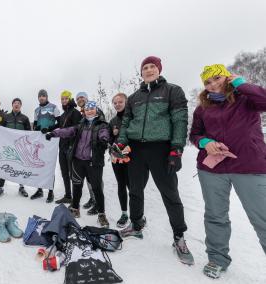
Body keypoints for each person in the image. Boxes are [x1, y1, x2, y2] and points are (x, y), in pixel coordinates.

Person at [190, 64, 266, 279]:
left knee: (262, 218)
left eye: (217, 78)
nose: (213, 84)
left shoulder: (246, 98)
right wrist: (205, 142)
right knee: (215, 216)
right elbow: (195, 134)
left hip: (249, 166)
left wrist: (241, 84)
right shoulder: (202, 108)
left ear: (227, 77)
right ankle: (217, 259)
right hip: (213, 169)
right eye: (207, 82)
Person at [118, 56, 193, 264]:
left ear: (159, 69)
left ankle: (179, 236)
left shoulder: (172, 91)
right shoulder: (134, 97)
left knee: (170, 193)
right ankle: (136, 224)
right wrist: (121, 143)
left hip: (161, 149)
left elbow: (179, 120)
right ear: (141, 73)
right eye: (145, 67)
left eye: (152, 67)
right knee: (134, 189)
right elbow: (126, 123)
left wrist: (176, 149)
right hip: (136, 149)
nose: (149, 70)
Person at [46, 101, 110, 228]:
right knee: (77, 185)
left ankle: (101, 214)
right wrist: (54, 133)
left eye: (92, 109)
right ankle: (75, 208)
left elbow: (104, 134)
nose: (89, 111)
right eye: (87, 110)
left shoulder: (102, 125)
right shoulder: (80, 125)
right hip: (78, 161)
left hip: (93, 162)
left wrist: (104, 140)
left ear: (96, 110)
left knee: (97, 188)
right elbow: (68, 131)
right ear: (84, 112)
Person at [31, 89, 60, 203]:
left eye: (43, 96)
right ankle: (39, 190)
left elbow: (60, 122)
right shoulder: (36, 110)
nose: (41, 98)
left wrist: (49, 129)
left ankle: (50, 192)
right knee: (39, 164)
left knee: (50, 165)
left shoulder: (54, 107)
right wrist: (37, 128)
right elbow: (35, 125)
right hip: (40, 141)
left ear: (47, 97)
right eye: (40, 96)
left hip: (51, 139)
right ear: (38, 98)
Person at [55, 90, 82, 204]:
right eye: (62, 99)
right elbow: (58, 126)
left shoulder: (75, 113)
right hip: (62, 147)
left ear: (70, 99)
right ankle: (67, 195)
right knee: (64, 172)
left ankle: (75, 199)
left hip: (71, 147)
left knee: (73, 174)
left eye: (66, 98)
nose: (64, 100)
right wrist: (47, 129)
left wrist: (73, 145)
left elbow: (77, 129)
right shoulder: (62, 115)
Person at [75, 91, 99, 215]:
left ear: (87, 98)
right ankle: (93, 198)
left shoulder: (95, 110)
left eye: (82, 97)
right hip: (83, 153)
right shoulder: (82, 114)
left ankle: (98, 204)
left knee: (95, 179)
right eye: (78, 98)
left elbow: (101, 127)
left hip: (93, 153)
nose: (80, 100)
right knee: (89, 179)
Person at [109, 93, 130, 228]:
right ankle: (124, 213)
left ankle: (137, 214)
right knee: (121, 185)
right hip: (116, 159)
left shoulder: (133, 118)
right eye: (115, 103)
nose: (117, 104)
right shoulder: (112, 121)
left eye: (120, 102)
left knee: (133, 187)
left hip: (131, 158)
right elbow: (110, 140)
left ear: (126, 102)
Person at [4, 97, 32, 197]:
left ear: (20, 105)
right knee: (3, 164)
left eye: (18, 103)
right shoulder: (6, 117)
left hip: (20, 147)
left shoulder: (25, 118)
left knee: (21, 166)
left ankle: (21, 187)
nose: (16, 104)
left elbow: (29, 133)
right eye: (15, 103)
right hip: (7, 146)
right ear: (12, 105)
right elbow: (0, 130)